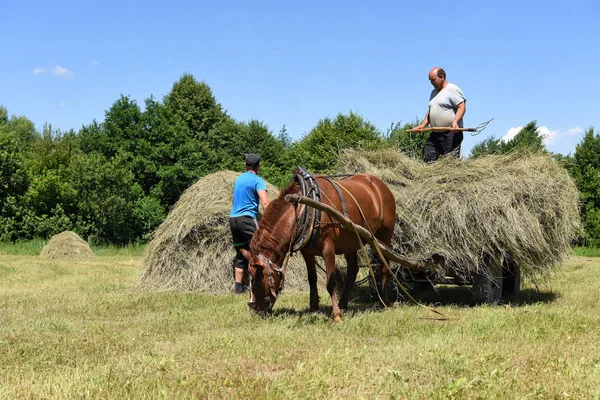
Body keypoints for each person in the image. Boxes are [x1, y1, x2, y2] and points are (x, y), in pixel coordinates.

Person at [229, 153, 270, 294]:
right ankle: (259, 285)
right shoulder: (258, 181)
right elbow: (265, 202)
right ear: (259, 165)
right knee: (260, 250)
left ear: (245, 165)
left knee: (241, 252)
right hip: (247, 218)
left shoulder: (238, 179)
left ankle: (238, 288)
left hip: (233, 219)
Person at [408, 67, 467, 163]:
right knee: (428, 156)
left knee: (449, 163)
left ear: (442, 77)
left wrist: (455, 122)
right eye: (430, 80)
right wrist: (422, 125)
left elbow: (461, 106)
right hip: (435, 133)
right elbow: (431, 111)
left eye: (433, 80)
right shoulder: (434, 92)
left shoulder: (452, 89)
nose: (431, 83)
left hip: (450, 133)